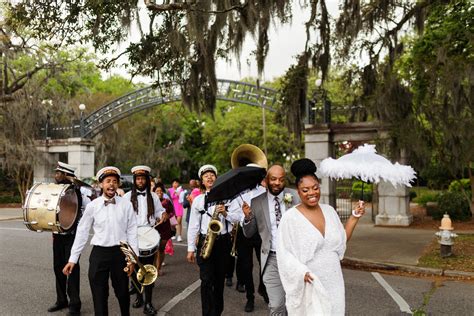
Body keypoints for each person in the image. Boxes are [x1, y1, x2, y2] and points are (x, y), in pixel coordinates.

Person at [276, 158, 365, 315]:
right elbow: (284, 253)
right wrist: (300, 272)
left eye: (315, 188)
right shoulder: (291, 218)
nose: (312, 193)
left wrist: (354, 216)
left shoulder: (329, 211)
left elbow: (341, 240)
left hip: (334, 279)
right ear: (298, 191)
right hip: (311, 281)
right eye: (305, 190)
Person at [63, 166, 138, 316]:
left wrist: (132, 258)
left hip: (120, 253)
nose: (111, 184)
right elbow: (82, 232)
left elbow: (132, 232)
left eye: (115, 181)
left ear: (118, 185)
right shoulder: (92, 206)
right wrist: (73, 259)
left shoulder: (126, 205)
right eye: (108, 181)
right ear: (101, 184)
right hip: (99, 253)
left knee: (123, 293)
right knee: (99, 295)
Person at [242, 165, 300, 316]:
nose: (277, 183)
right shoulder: (256, 202)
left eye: (281, 179)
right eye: (273, 179)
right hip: (271, 258)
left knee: (294, 303)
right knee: (276, 305)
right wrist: (248, 217)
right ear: (266, 180)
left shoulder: (296, 196)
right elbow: (249, 233)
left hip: (294, 257)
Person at [187, 164, 240, 316]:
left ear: (217, 178)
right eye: (206, 176)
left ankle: (217, 312)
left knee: (218, 282)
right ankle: (207, 313)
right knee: (206, 281)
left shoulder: (229, 197)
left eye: (212, 175)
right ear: (202, 181)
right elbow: (193, 226)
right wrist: (191, 248)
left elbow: (238, 218)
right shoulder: (198, 200)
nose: (209, 177)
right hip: (205, 241)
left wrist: (226, 214)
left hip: (223, 242)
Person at [48, 162, 90, 316]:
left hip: (72, 236)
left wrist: (75, 224)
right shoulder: (53, 190)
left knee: (72, 270)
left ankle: (75, 305)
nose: (55, 175)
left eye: (58, 173)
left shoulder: (81, 192)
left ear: (66, 175)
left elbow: (88, 212)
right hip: (57, 235)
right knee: (58, 267)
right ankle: (61, 300)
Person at [124, 165, 166, 315]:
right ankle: (138, 296)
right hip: (133, 235)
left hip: (148, 234)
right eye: (138, 179)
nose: (140, 181)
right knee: (135, 269)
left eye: (143, 178)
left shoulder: (153, 196)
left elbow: (161, 211)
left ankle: (148, 302)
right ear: (134, 181)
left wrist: (163, 215)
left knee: (148, 270)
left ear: (147, 180)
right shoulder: (127, 197)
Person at [228, 177, 267, 313]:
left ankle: (263, 287)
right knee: (246, 266)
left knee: (265, 263)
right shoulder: (237, 194)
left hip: (260, 232)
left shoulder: (263, 190)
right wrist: (244, 216)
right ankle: (250, 298)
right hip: (243, 232)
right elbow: (232, 216)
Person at [153, 182, 176, 275]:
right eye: (157, 191)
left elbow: (172, 212)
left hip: (165, 228)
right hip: (154, 227)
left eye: (161, 191)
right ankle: (153, 269)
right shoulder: (151, 202)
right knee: (154, 250)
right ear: (153, 192)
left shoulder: (167, 201)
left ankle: (158, 268)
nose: (159, 192)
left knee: (161, 249)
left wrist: (167, 215)